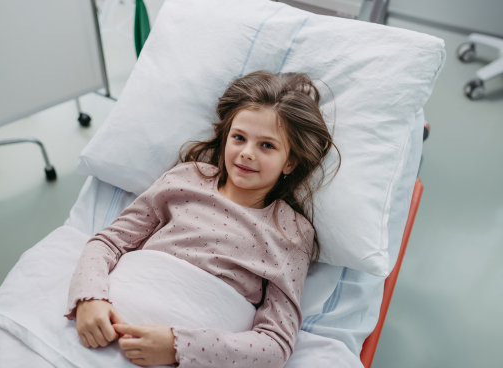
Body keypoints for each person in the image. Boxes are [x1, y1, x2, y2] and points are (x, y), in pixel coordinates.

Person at [64, 70, 340, 367]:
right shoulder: (186, 179)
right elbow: (108, 242)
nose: (247, 153)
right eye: (239, 138)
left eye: (267, 145)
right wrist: (88, 299)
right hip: (106, 320)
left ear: (290, 162)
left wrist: (179, 347)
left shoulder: (292, 232)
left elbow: (276, 343)